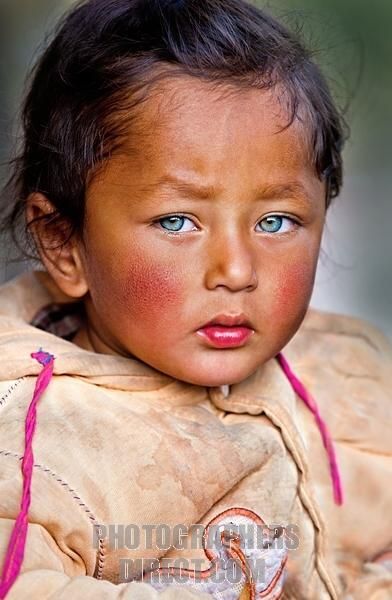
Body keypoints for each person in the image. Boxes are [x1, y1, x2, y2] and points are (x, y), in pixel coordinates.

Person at [0, 0, 391, 598]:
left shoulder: (347, 375)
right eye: (178, 222)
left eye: (277, 221)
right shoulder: (33, 440)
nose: (236, 270)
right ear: (64, 244)